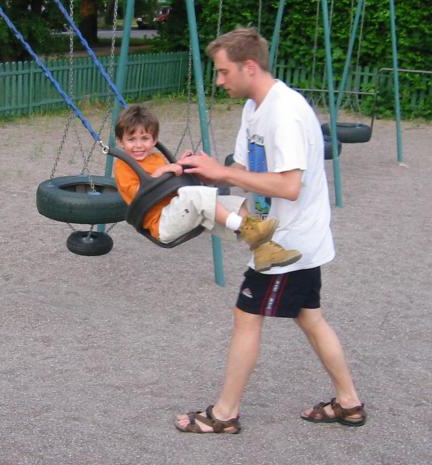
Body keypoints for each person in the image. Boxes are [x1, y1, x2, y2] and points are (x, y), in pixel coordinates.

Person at [174, 27, 366, 434]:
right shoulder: (254, 108)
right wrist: (207, 171)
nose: (219, 80)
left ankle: (224, 415)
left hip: (286, 243)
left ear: (249, 66)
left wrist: (224, 174)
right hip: (280, 233)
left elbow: (289, 186)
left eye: (223, 71)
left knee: (246, 316)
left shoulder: (286, 112)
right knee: (310, 317)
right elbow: (244, 171)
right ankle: (349, 403)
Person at [113, 104, 302, 271]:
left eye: (145, 138)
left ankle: (263, 250)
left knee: (231, 204)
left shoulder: (155, 158)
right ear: (121, 141)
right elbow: (140, 196)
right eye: (131, 139)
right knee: (198, 195)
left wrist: (180, 166)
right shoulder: (123, 166)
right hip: (162, 222)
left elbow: (167, 186)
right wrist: (163, 171)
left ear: (154, 140)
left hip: (179, 211)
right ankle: (251, 230)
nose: (138, 145)